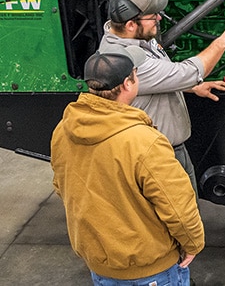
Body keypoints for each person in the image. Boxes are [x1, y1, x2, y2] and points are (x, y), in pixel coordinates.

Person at [51, 46, 205, 286]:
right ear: (127, 84)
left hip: (101, 266)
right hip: (152, 270)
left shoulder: (63, 131)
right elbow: (177, 205)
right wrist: (193, 243)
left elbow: (63, 187)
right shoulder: (144, 141)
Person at [99, 0, 225, 193]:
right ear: (131, 24)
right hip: (156, 157)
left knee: (187, 210)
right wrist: (222, 42)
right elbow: (184, 73)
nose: (159, 19)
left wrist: (193, 87)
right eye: (153, 16)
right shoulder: (126, 58)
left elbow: (159, 78)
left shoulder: (137, 39)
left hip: (172, 149)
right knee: (179, 217)